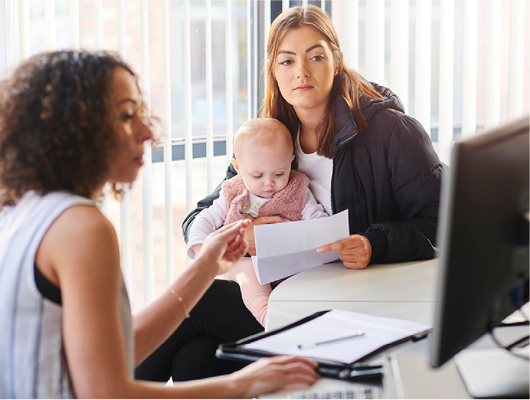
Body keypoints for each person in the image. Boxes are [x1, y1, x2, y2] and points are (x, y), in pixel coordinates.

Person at [0, 50, 319, 399]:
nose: (148, 130)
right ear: (77, 132)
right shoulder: (81, 229)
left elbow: (112, 351)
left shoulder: (24, 211)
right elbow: (105, 393)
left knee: (195, 360)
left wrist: (209, 264)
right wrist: (244, 384)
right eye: (125, 115)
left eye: (141, 112)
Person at [167, 3, 443, 381]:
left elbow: (443, 223)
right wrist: (237, 237)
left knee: (199, 304)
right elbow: (205, 211)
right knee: (195, 360)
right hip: (285, 296)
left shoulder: (393, 133)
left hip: (353, 303)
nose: (301, 72)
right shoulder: (271, 136)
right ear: (273, 71)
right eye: (286, 61)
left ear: (337, 60)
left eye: (315, 56)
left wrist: (373, 243)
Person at [187, 117, 328, 325]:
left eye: (279, 173)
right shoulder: (232, 191)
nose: (269, 183)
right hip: (243, 263)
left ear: (291, 160)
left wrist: (294, 233)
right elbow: (204, 219)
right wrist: (201, 249)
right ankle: (267, 316)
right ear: (238, 167)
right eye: (257, 175)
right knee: (249, 273)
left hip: (288, 266)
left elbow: (319, 223)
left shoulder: (298, 190)